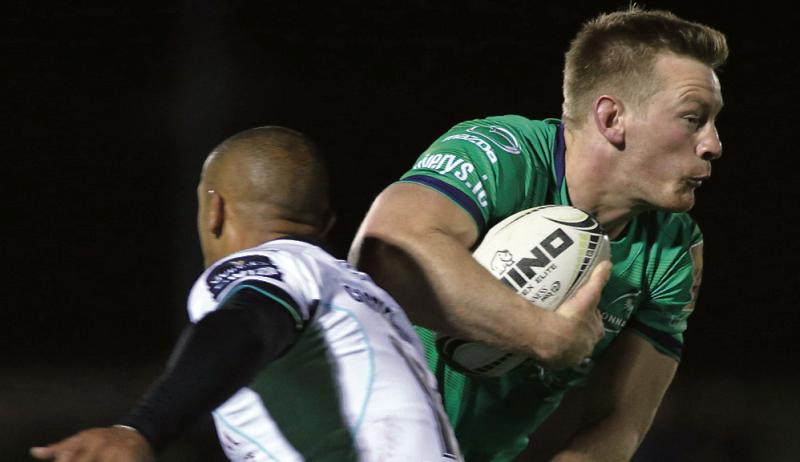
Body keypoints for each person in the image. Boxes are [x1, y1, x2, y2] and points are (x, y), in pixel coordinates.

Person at [349, 7, 726, 462]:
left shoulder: (674, 249)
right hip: (350, 441)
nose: (713, 144)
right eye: (693, 118)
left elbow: (619, 424)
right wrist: (544, 334)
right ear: (612, 119)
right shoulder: (504, 155)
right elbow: (383, 251)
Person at [31, 126, 461, 462]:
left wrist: (142, 428)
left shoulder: (272, 266)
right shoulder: (373, 300)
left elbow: (250, 323)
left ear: (214, 208)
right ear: (325, 223)